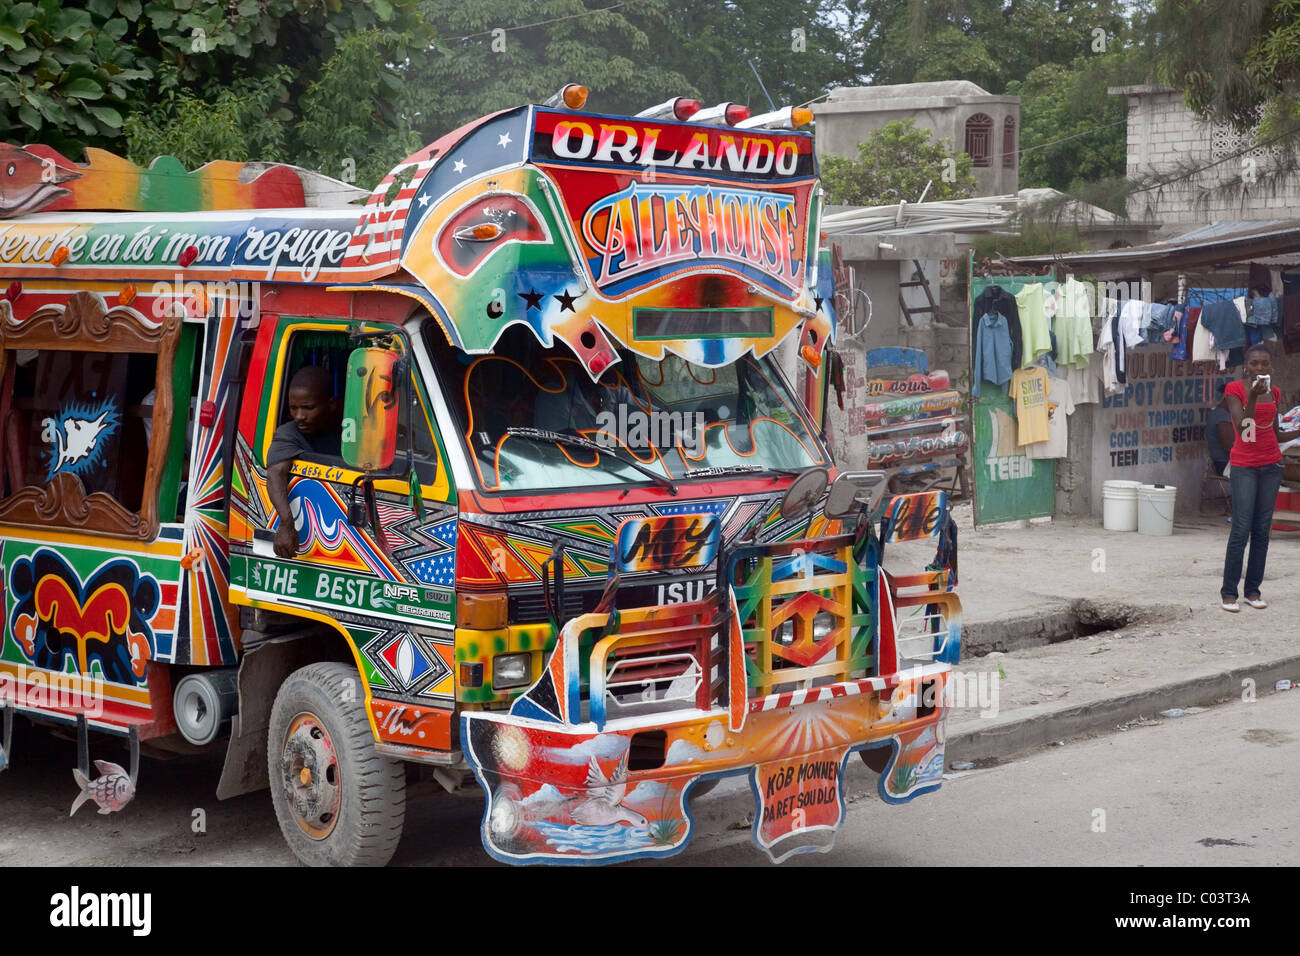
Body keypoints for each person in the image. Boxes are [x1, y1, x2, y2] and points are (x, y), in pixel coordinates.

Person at [1219, 345, 1300, 611]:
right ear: (1246, 365)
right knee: (1241, 529)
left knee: (1262, 531)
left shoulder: (1274, 393)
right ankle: (1229, 593)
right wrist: (1253, 397)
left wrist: (1297, 431)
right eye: (1255, 364)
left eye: (1264, 364)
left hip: (1271, 465)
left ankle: (1252, 591)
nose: (1260, 369)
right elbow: (1244, 429)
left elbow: (1274, 434)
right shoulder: (1235, 390)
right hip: (1245, 466)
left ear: (1271, 367)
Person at [267, 366, 343, 558]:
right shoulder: (288, 434)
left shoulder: (352, 426)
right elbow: (276, 473)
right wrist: (286, 523)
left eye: (308, 408)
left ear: (331, 404)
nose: (299, 416)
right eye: (294, 408)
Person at [1205, 383, 1235, 476]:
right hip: (1224, 464)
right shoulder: (1222, 416)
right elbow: (1228, 446)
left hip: (1225, 462)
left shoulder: (1221, 414)